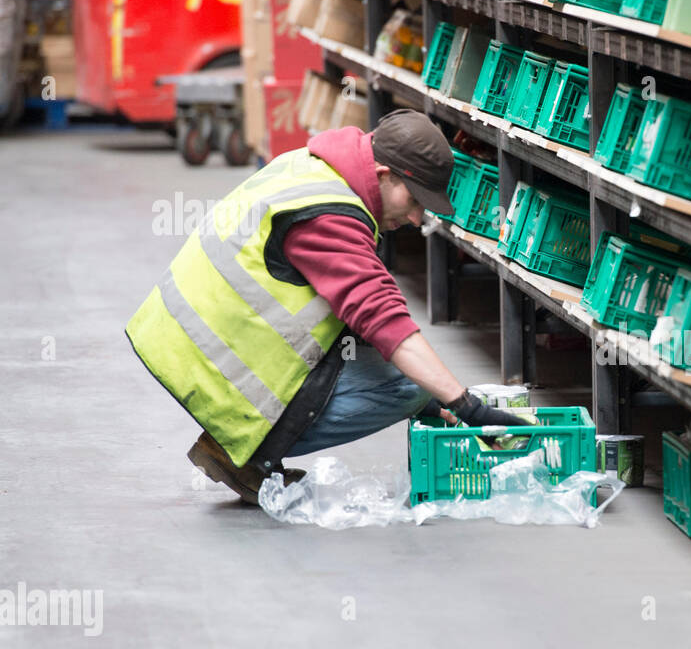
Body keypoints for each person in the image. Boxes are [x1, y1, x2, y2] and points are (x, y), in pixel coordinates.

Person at [125, 108, 526, 504]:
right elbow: (384, 320)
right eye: (415, 198)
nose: (418, 216)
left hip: (200, 339)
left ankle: (243, 444)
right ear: (385, 174)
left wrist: (440, 400)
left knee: (404, 375)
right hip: (215, 364)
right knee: (407, 388)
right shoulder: (329, 215)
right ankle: (241, 452)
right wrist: (466, 405)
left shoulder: (317, 169)